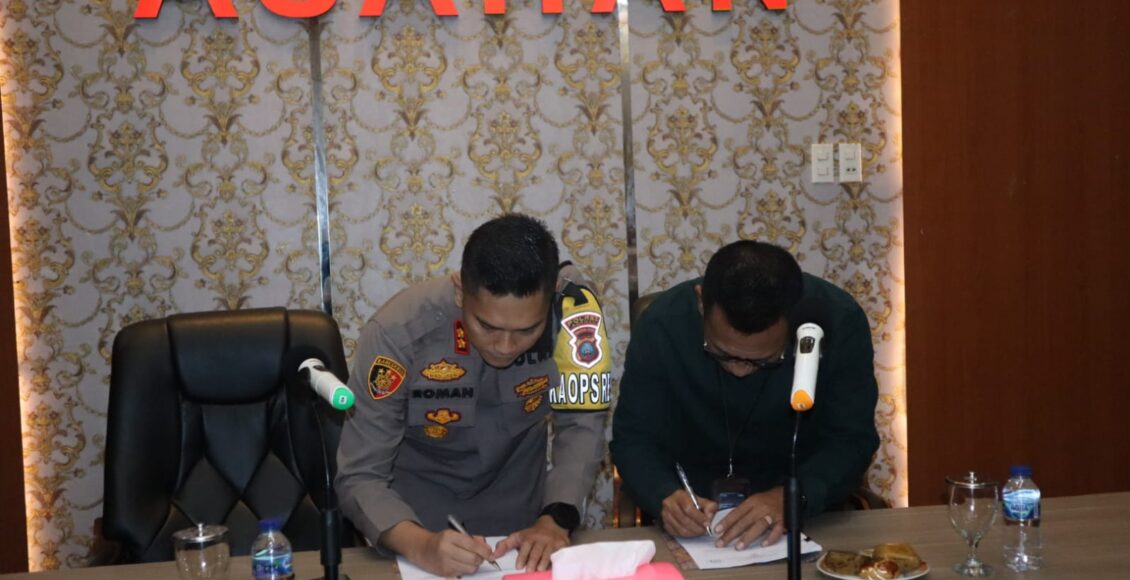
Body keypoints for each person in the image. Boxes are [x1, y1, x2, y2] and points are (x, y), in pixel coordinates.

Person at [336, 214, 612, 577]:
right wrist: (420, 545)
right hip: (415, 530)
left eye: (527, 330)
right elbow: (360, 474)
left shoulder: (573, 312)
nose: (505, 346)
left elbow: (581, 424)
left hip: (524, 530)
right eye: (487, 326)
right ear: (459, 290)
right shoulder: (397, 333)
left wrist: (555, 519)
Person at [610, 240, 879, 551]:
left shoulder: (839, 321)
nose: (739, 371)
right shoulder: (662, 326)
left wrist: (795, 496)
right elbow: (634, 438)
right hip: (697, 523)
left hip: (809, 518)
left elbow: (852, 439)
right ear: (701, 303)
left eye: (762, 361)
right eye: (722, 354)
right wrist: (663, 494)